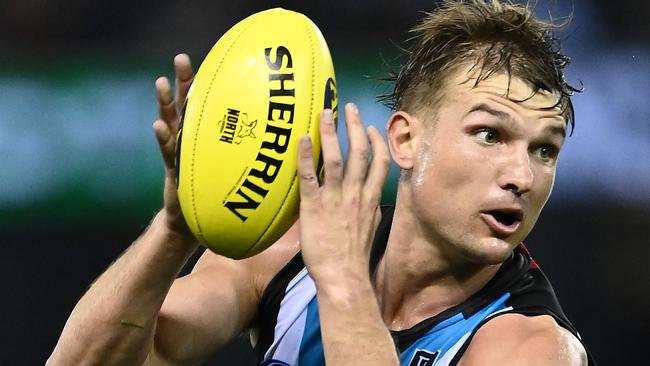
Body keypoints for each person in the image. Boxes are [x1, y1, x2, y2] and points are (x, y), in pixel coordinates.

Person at [48, 0, 595, 365]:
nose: (522, 176)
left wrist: (342, 285)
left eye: (544, 150)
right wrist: (176, 225)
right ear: (404, 140)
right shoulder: (287, 254)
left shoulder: (531, 345)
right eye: (489, 135)